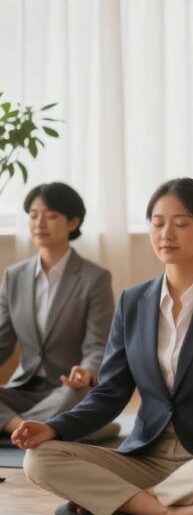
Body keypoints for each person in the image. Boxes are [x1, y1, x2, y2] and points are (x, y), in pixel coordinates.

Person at [15, 178, 193, 515]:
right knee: (38, 460)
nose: (167, 234)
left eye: (181, 224)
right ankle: (162, 509)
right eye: (158, 222)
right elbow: (109, 392)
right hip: (145, 456)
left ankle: (124, 500)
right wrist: (54, 428)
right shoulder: (133, 302)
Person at [0, 183, 114, 439]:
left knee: (78, 398)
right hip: (23, 389)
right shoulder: (14, 277)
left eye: (50, 216)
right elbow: (2, 342)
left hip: (69, 389)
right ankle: (28, 428)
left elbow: (98, 345)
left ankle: (16, 428)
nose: (39, 223)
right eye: (33, 215)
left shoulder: (95, 278)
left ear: (73, 223)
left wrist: (86, 373)